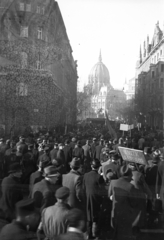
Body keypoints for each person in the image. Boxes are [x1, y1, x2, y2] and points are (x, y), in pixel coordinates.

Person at [108, 165, 137, 240]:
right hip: (125, 216)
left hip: (114, 213)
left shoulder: (113, 182)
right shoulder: (130, 186)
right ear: (129, 175)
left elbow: (109, 195)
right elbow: (133, 202)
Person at [83, 159, 104, 239]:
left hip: (87, 198)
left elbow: (83, 188)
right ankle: (94, 234)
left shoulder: (85, 175)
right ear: (98, 167)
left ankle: (89, 235)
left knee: (89, 217)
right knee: (95, 217)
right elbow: (102, 190)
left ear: (91, 166)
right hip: (96, 199)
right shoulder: (99, 177)